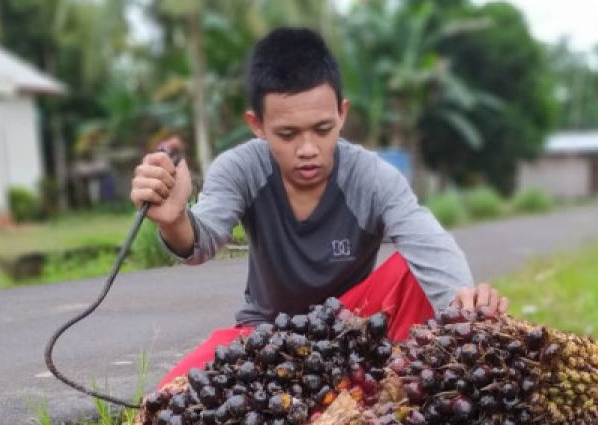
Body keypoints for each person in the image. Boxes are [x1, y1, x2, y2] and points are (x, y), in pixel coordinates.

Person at [129, 26, 507, 387]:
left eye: (323, 130)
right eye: (288, 134)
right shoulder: (240, 167)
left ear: (342, 114)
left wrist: (467, 314)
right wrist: (175, 219)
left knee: (415, 271)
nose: (308, 149)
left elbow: (430, 244)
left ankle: (388, 388)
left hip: (353, 333)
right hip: (266, 341)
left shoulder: (373, 177)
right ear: (257, 125)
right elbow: (202, 239)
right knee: (170, 398)